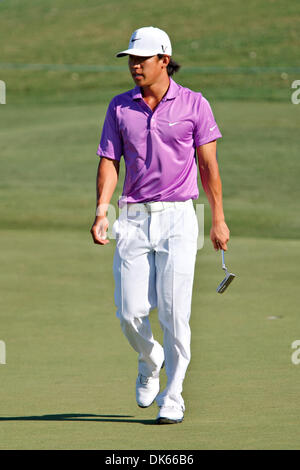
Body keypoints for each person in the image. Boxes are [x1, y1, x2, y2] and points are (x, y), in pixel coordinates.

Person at [90, 26, 230, 424]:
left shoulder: (194, 104)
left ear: (163, 60)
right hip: (132, 216)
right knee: (130, 312)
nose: (134, 65)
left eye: (142, 59)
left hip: (180, 217)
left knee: (173, 313)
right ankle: (151, 360)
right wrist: (102, 209)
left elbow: (208, 166)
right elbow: (109, 162)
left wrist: (217, 219)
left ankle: (175, 394)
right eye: (131, 59)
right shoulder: (119, 107)